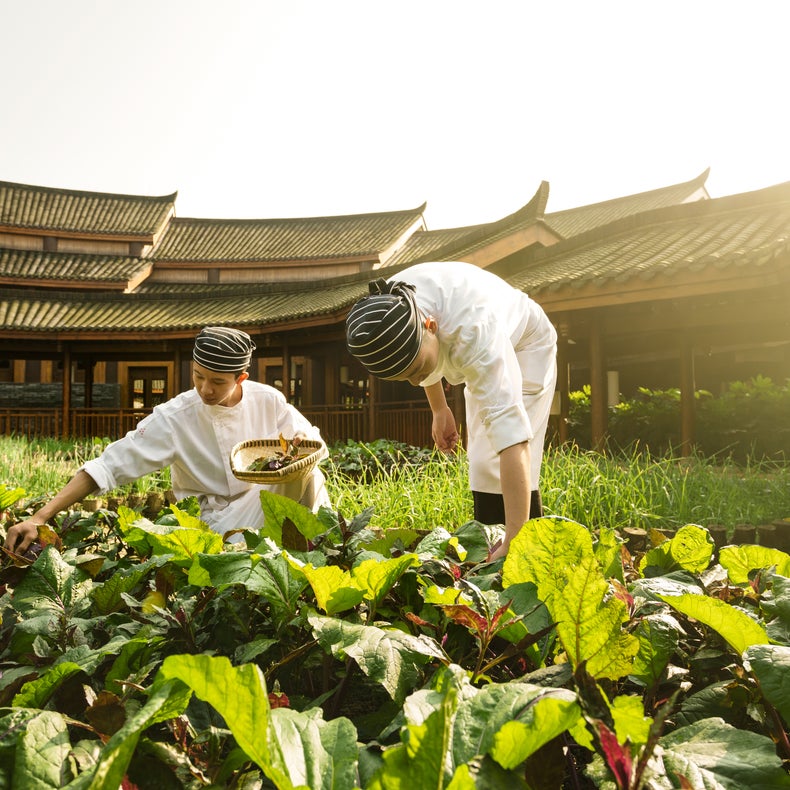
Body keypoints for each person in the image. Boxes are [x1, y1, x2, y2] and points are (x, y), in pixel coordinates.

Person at [5, 327, 330, 553]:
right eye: (198, 376)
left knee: (308, 473)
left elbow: (308, 439)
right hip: (213, 521)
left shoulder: (267, 399)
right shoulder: (175, 416)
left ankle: (322, 548)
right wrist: (39, 517)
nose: (205, 389)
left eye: (217, 382)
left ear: (241, 377)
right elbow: (108, 466)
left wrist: (300, 439)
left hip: (259, 503)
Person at [346, 261, 557, 561]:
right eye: (405, 378)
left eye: (417, 370)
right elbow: (420, 363)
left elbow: (513, 438)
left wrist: (514, 539)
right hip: (465, 342)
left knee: (500, 454)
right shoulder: (386, 309)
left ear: (430, 326)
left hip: (526, 342)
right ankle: (489, 550)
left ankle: (522, 551)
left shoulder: (474, 331)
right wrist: (439, 408)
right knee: (482, 463)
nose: (416, 380)